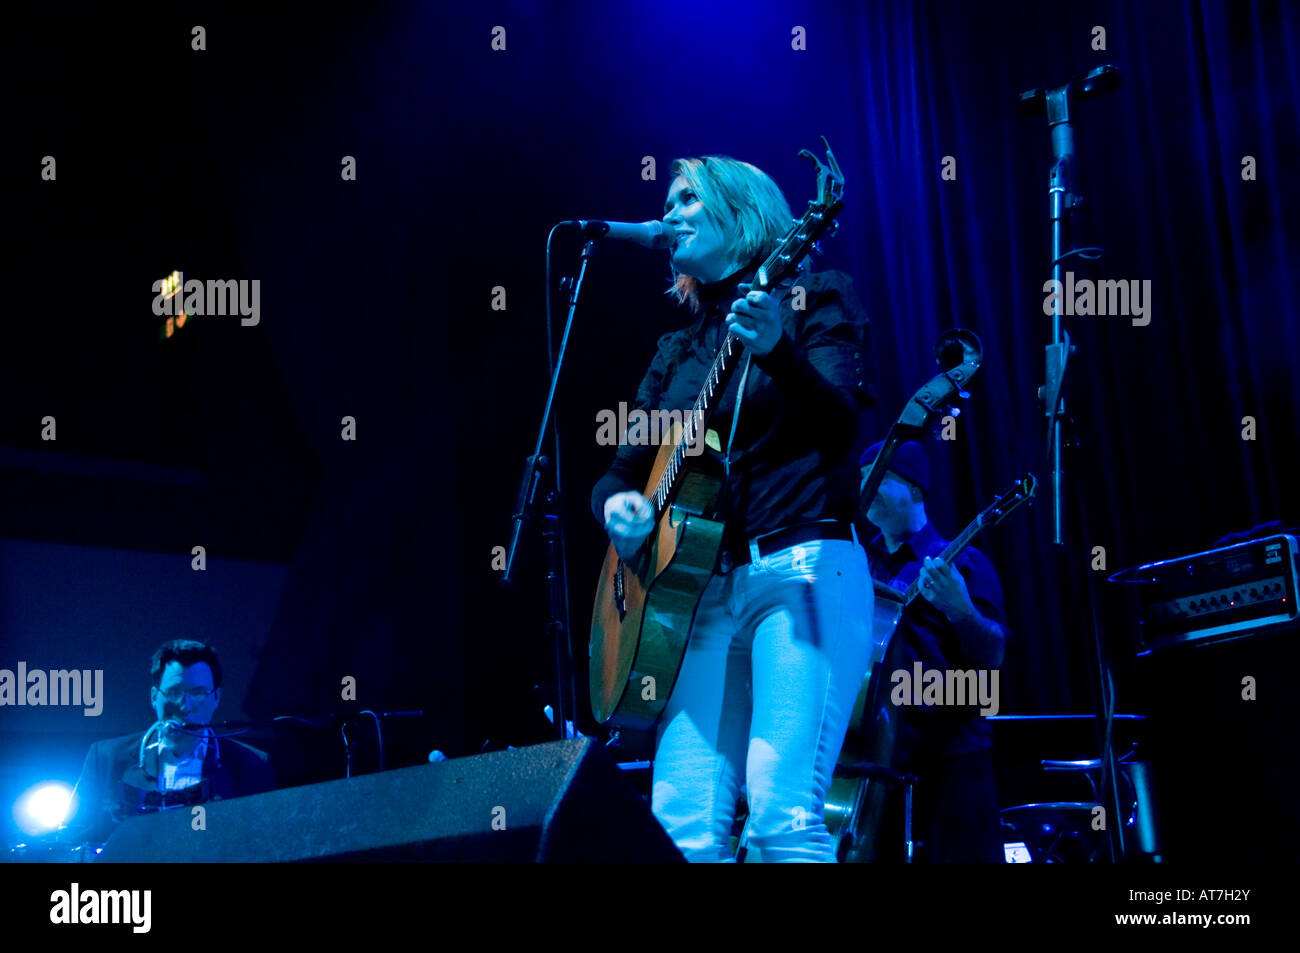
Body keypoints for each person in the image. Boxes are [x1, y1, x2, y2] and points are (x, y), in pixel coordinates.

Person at [591, 154, 874, 861]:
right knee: (681, 822)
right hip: (700, 593)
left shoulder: (812, 294)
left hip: (803, 568)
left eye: (689, 197)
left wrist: (779, 351)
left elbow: (843, 424)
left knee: (781, 811)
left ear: (741, 210)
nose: (671, 211)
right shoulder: (677, 350)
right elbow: (619, 474)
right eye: (669, 201)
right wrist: (620, 510)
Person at [857, 440, 1009, 861]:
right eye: (861, 478)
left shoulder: (964, 562)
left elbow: (993, 656)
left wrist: (960, 609)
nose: (864, 487)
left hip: (952, 761)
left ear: (915, 489)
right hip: (874, 761)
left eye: (878, 477)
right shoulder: (854, 563)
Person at [65, 639, 273, 843]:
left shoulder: (250, 764)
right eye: (174, 692)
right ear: (155, 697)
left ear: (216, 698)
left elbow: (263, 844)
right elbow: (74, 839)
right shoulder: (106, 757)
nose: (185, 705)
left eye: (198, 692)